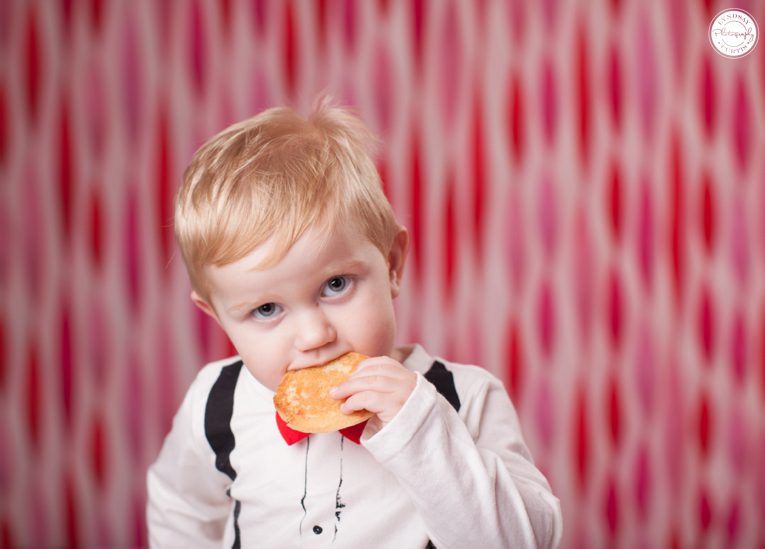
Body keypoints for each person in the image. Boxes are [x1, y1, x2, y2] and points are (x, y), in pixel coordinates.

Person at [147, 99, 562, 548]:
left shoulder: (466, 398)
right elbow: (179, 508)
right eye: (266, 310)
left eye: (336, 284)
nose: (314, 336)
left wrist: (420, 431)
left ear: (392, 264)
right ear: (218, 317)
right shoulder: (215, 401)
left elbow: (526, 542)